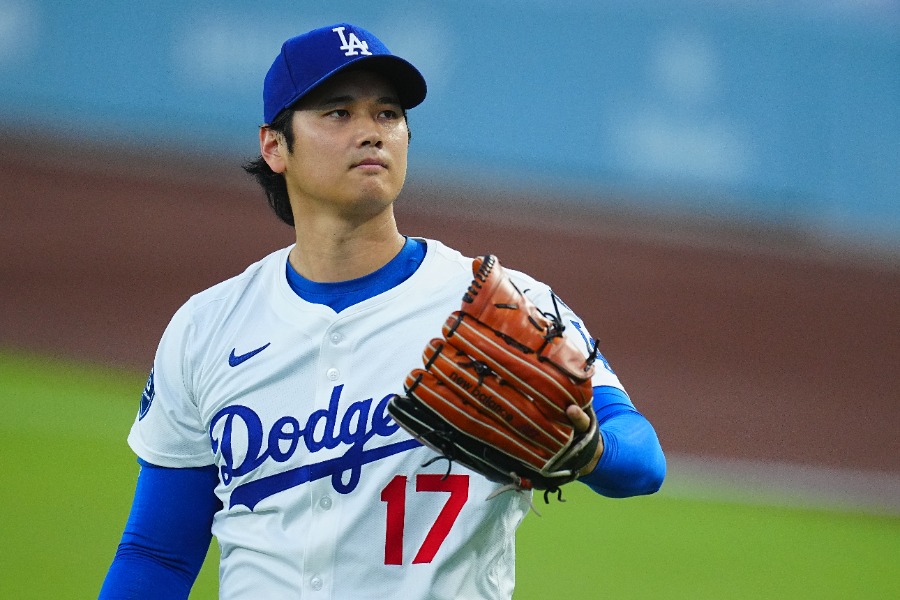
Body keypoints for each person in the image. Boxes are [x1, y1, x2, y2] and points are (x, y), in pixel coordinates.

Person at [100, 22, 666, 599]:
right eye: (338, 113)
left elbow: (644, 459)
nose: (371, 132)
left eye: (387, 114)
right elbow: (158, 553)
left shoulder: (497, 302)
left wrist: (595, 450)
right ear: (274, 145)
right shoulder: (207, 327)